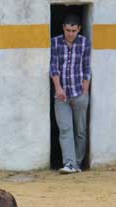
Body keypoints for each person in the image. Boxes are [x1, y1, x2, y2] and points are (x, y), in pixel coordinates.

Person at [50, 14, 92, 174]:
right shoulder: (55, 42)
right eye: (68, 30)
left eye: (74, 30)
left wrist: (85, 88)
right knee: (65, 129)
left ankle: (78, 163)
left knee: (80, 131)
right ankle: (69, 163)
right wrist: (58, 88)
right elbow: (54, 67)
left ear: (79, 29)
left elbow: (87, 66)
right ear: (63, 28)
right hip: (61, 95)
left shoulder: (84, 43)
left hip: (79, 93)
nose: (70, 33)